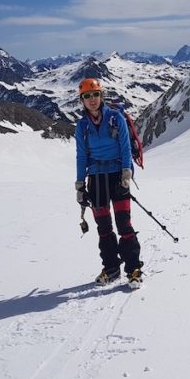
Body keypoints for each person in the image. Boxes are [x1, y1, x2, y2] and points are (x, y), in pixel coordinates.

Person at [74, 78, 143, 286]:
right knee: (103, 227)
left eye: (95, 94)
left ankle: (133, 268)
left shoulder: (115, 118)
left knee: (124, 223)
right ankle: (112, 268)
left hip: (117, 176)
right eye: (87, 96)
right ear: (82, 100)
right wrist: (79, 184)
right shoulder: (82, 126)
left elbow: (125, 146)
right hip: (96, 179)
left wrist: (126, 172)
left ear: (101, 95)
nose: (92, 99)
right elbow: (81, 156)